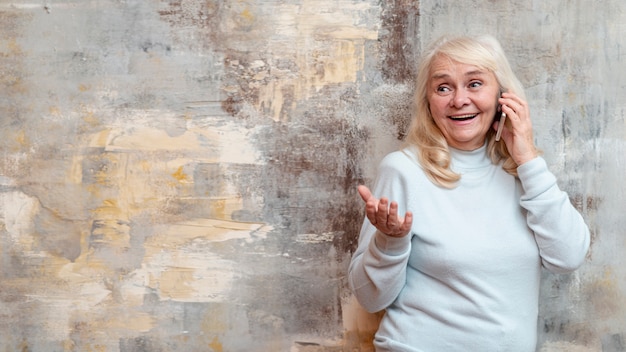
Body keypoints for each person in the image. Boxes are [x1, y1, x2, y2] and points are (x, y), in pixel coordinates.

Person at [348, 34, 590, 352]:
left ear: (503, 97)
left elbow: (569, 257)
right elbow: (369, 298)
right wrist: (390, 242)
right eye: (443, 87)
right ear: (428, 103)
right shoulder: (404, 170)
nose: (459, 100)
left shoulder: (523, 173)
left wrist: (528, 157)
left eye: (474, 84)